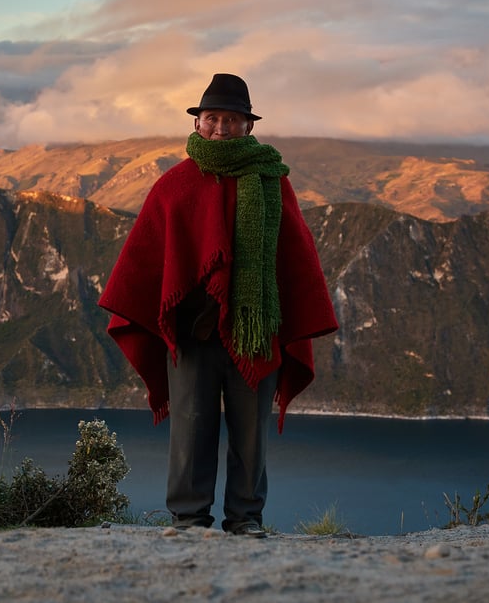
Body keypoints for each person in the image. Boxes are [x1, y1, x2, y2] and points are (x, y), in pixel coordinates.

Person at [98, 73, 338, 537]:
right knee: (190, 431)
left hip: (255, 329)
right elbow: (146, 260)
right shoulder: (176, 185)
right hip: (193, 335)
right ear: (198, 123)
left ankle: (245, 520)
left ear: (248, 126)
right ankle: (189, 520)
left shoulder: (273, 183)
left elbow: (295, 261)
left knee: (251, 436)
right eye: (214, 118)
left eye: (232, 119)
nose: (222, 127)